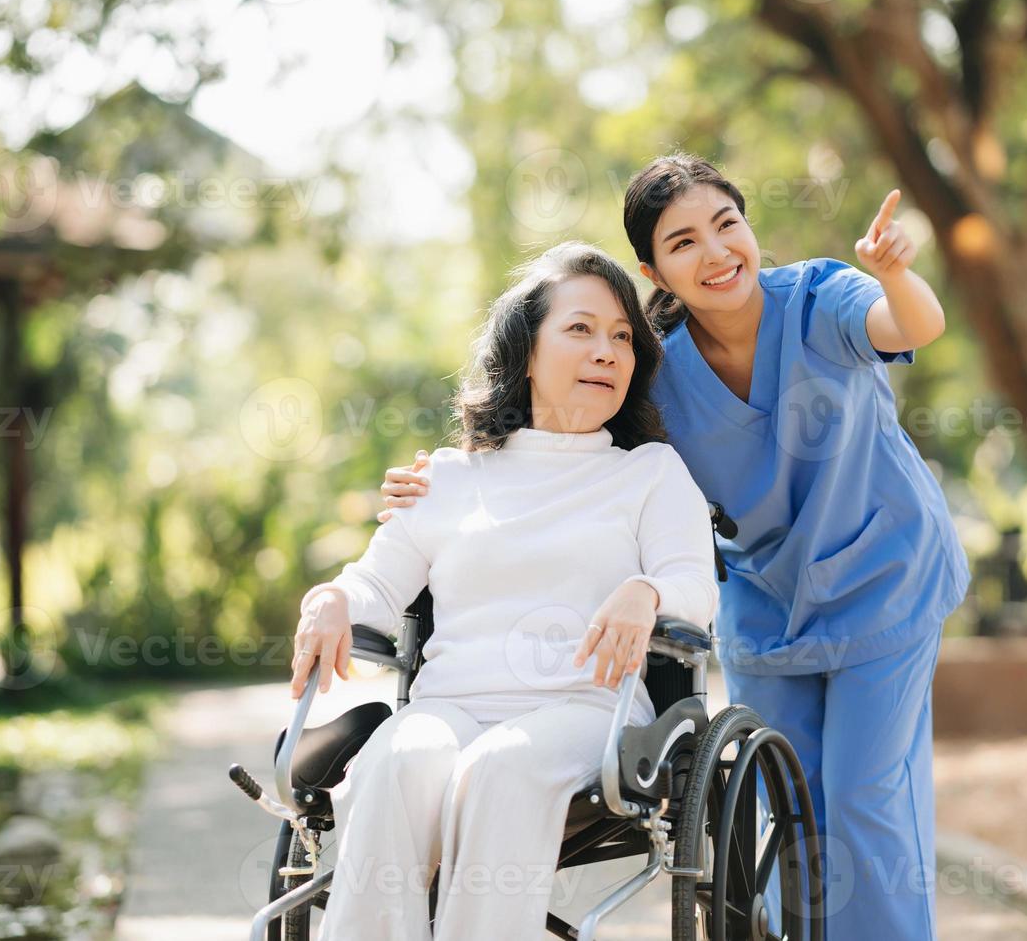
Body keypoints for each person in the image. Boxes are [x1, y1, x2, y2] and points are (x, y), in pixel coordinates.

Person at [380, 153, 970, 940]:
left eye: (727, 224)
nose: (717, 253)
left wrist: (896, 273)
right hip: (769, 602)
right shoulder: (657, 366)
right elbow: (563, 444)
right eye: (684, 241)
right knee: (792, 815)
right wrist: (444, 478)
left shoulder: (822, 299)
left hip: (887, 574)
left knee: (865, 795)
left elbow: (913, 324)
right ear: (652, 267)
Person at [291, 241, 719, 941]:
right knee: (394, 761)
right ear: (525, 351)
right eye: (580, 329)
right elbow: (374, 579)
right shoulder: (451, 478)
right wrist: (332, 600)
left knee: (499, 768)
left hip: (585, 711)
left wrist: (646, 591)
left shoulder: (650, 474)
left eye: (621, 337)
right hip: (453, 704)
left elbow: (694, 588)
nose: (607, 351)